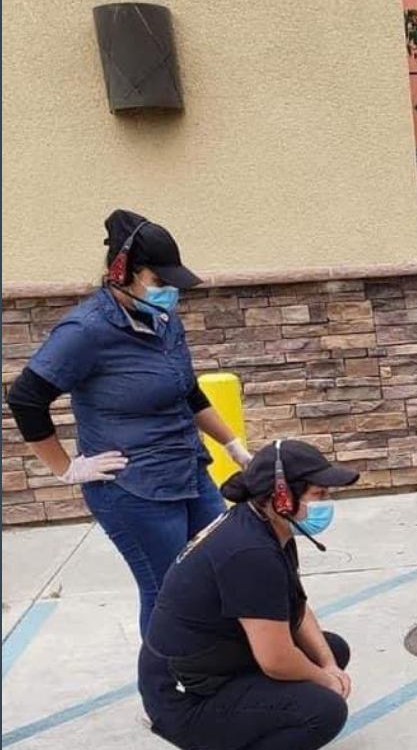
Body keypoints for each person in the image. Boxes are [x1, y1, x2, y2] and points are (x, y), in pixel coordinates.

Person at [6, 209, 252, 636]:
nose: (171, 293)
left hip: (187, 471)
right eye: (160, 282)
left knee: (223, 568)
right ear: (122, 272)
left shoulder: (162, 319)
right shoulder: (85, 330)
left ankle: (214, 675)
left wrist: (232, 444)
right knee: (168, 592)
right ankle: (165, 692)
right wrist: (66, 467)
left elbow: (187, 390)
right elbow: (26, 399)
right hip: (134, 489)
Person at [138, 440, 359, 750]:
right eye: (319, 494)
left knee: (332, 648)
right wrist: (325, 680)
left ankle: (238, 739)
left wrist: (326, 663)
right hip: (182, 700)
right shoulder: (249, 552)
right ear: (280, 495)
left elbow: (294, 608)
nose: (327, 504)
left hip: (209, 667)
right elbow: (275, 659)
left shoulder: (265, 524)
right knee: (324, 710)